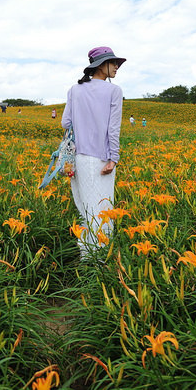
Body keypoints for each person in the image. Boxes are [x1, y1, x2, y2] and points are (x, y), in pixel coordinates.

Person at [61, 46, 126, 255]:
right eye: (113, 63)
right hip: (101, 159)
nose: (116, 67)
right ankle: (99, 261)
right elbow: (113, 129)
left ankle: (86, 257)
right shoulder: (114, 91)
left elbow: (65, 123)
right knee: (103, 211)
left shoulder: (74, 90)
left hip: (79, 160)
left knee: (85, 210)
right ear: (100, 66)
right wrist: (113, 158)